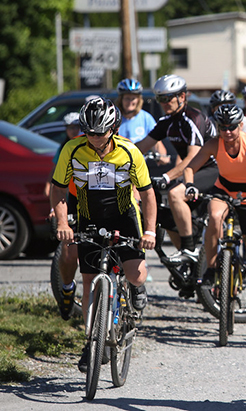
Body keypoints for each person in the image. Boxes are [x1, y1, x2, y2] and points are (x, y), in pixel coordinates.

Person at [50, 97, 156, 371]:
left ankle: (133, 291)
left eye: (101, 132)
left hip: (124, 216)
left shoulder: (130, 152)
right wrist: (63, 223)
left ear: (114, 129)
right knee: (88, 282)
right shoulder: (72, 150)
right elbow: (59, 189)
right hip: (89, 217)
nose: (95, 138)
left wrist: (151, 231)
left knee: (136, 275)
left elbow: (147, 193)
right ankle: (91, 343)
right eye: (90, 132)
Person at [183, 104, 246, 338]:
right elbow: (190, 168)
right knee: (214, 217)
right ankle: (213, 268)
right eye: (223, 127)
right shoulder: (214, 144)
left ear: (240, 125)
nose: (227, 132)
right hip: (224, 191)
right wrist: (190, 186)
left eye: (232, 127)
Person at [135, 75, 217, 256]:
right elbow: (140, 147)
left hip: (211, 169)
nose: (164, 103)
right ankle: (186, 257)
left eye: (168, 98)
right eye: (160, 99)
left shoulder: (194, 119)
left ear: (182, 96)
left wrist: (166, 177)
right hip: (191, 172)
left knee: (174, 194)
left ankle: (188, 249)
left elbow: (192, 159)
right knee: (164, 214)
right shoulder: (166, 122)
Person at [47, 112, 82, 320]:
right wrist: (56, 210)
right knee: (69, 250)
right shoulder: (68, 148)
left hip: (99, 203)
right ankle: (67, 289)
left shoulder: (117, 147)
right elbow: (55, 182)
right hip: (72, 199)